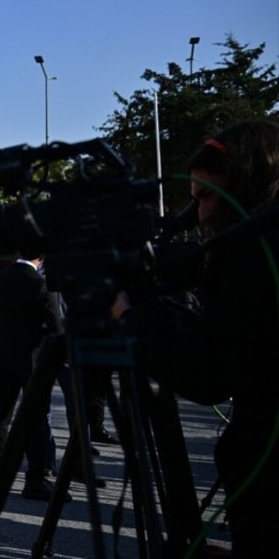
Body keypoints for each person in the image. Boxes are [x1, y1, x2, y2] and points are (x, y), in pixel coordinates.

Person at [115, 119, 279, 556]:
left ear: (245, 186)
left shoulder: (257, 255)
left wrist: (133, 319)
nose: (201, 214)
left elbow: (210, 373)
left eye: (207, 197)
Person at [0, 252, 65, 501]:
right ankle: (35, 478)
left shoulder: (0, 279)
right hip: (33, 359)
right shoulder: (40, 283)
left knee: (1, 414)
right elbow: (56, 324)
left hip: (5, 354)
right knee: (36, 418)